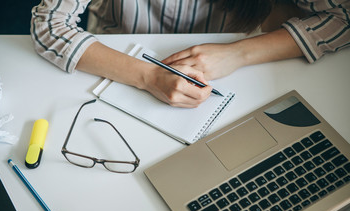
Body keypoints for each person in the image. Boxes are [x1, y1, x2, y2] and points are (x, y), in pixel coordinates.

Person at [31, 0, 350, 108]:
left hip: (225, 65)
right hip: (115, 55)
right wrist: (149, 76)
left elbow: (343, 16)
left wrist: (237, 55)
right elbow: (48, 23)